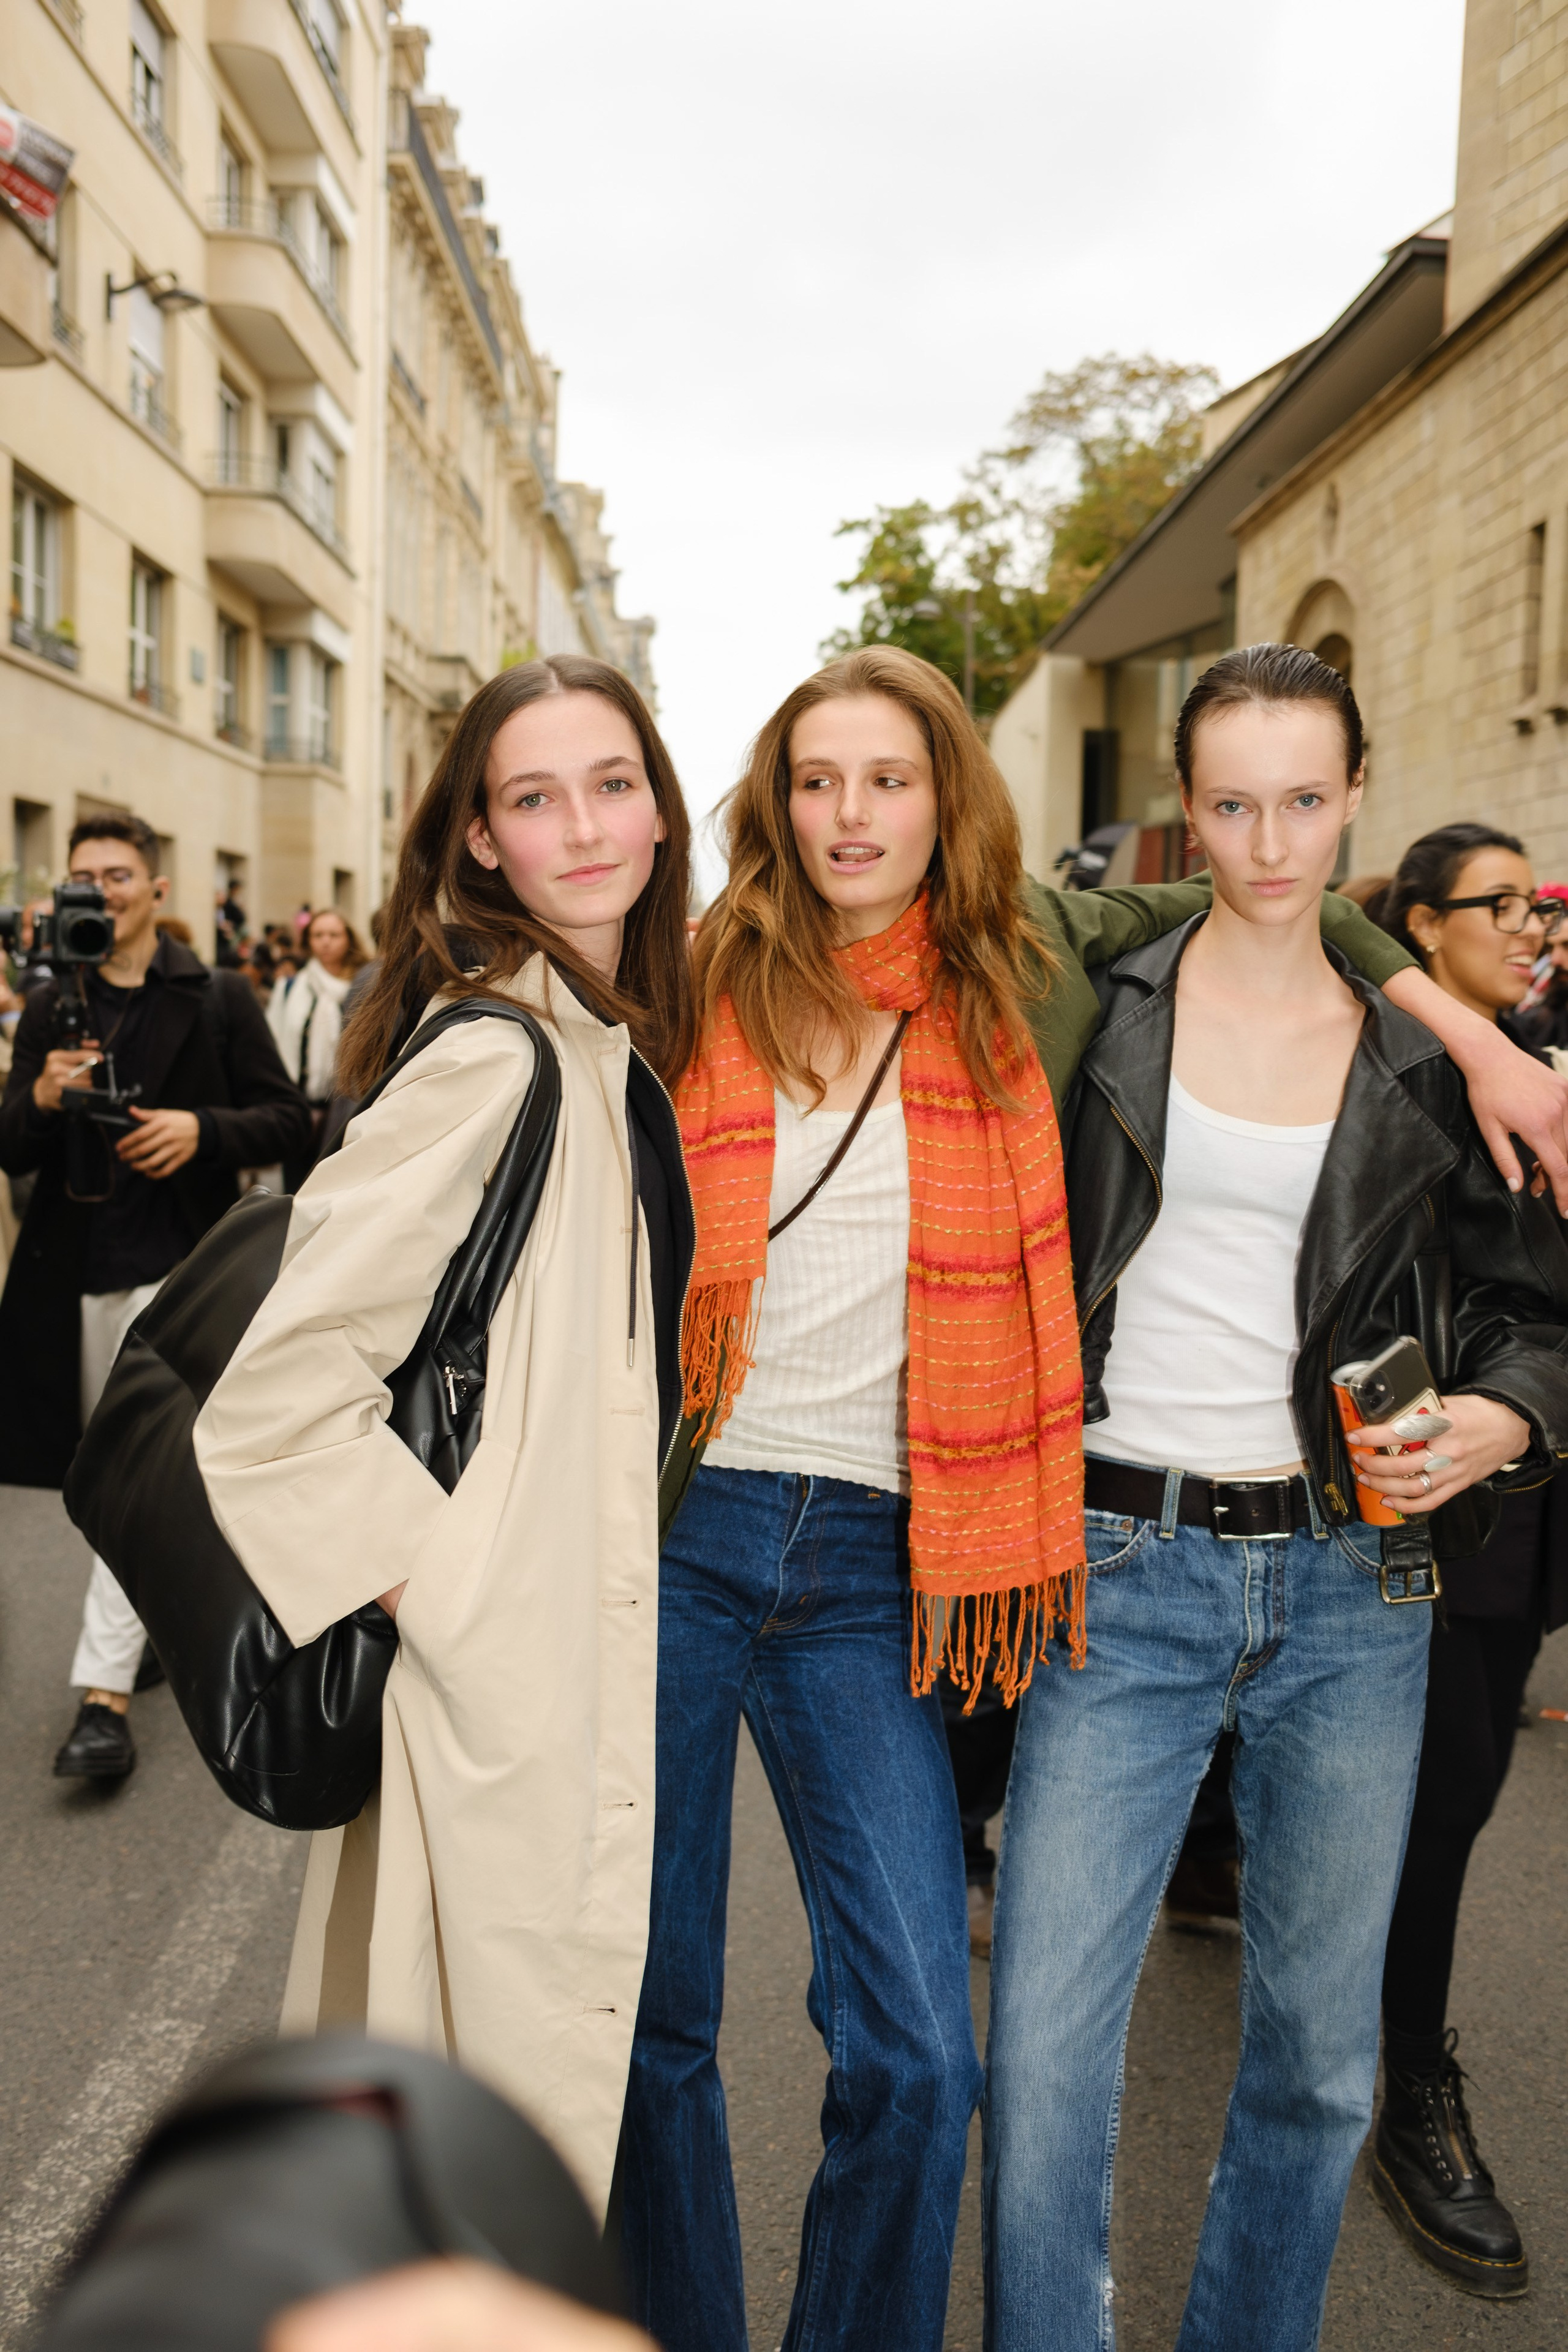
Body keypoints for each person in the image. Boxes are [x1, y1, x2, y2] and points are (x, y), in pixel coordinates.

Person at [618, 644, 1562, 2352]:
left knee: (1151, 2057)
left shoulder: (1067, 981)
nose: (852, 815)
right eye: (817, 780)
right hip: (907, 1544)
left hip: (1171, 1569)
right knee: (817, 2032)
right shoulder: (769, 985)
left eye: (891, 780)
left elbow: (1317, 937)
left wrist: (1467, 1043)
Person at [981, 647, 1568, 2352]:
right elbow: (969, 880)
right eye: (1231, 803)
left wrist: (1498, 1423)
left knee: (1315, 2066)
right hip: (1120, 1564)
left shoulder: (1440, 1064)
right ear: (1185, 807)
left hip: (1352, 1591)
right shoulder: (1105, 1004)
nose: (1269, 842)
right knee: (1041, 2058)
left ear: (1356, 795)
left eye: (1305, 800)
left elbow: (1538, 1317)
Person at [189, 655, 695, 2227]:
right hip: (492, 1689)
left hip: (543, 1673)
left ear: (663, 810)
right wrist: (458, 1596)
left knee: (466, 2142)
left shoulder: (598, 1037)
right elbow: (275, 1396)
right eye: (533, 797)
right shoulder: (497, 1056)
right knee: (473, 2147)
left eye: (612, 782)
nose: (586, 826)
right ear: (480, 841)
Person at [1361, 824, 1568, 2297]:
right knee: (1440, 1800)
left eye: (1533, 906)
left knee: (1464, 1772)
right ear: (1419, 929)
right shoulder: (1403, 1071)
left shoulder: (1531, 1057)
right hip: (1431, 1495)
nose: (1527, 925)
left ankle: (1216, 1849)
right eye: (1495, 906)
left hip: (1526, 1482)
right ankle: (1409, 2089)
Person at [0, 814, 311, 1781]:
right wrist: (44, 1101)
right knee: (103, 1481)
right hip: (72, 1277)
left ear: (155, 891)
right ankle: (149, 1625)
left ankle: (100, 1701)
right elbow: (10, 1148)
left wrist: (199, 1129)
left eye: (120, 875)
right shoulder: (52, 1006)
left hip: (180, 1276)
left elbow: (287, 1118)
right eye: (85, 877)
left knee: (137, 1470)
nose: (103, 891)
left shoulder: (213, 994)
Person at [267, 907, 372, 1186]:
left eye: (334, 935)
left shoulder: (365, 984)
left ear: (349, 939)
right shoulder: (292, 986)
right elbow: (274, 1041)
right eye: (318, 935)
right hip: (299, 1108)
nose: (326, 942)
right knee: (296, 1188)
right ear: (308, 941)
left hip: (346, 1106)